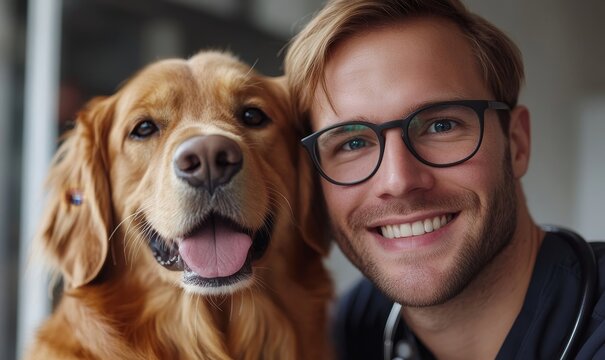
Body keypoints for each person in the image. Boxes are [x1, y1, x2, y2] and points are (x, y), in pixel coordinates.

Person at [284, 0, 605, 359]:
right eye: (353, 143)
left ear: (517, 143)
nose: (398, 180)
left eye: (441, 125)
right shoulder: (352, 328)